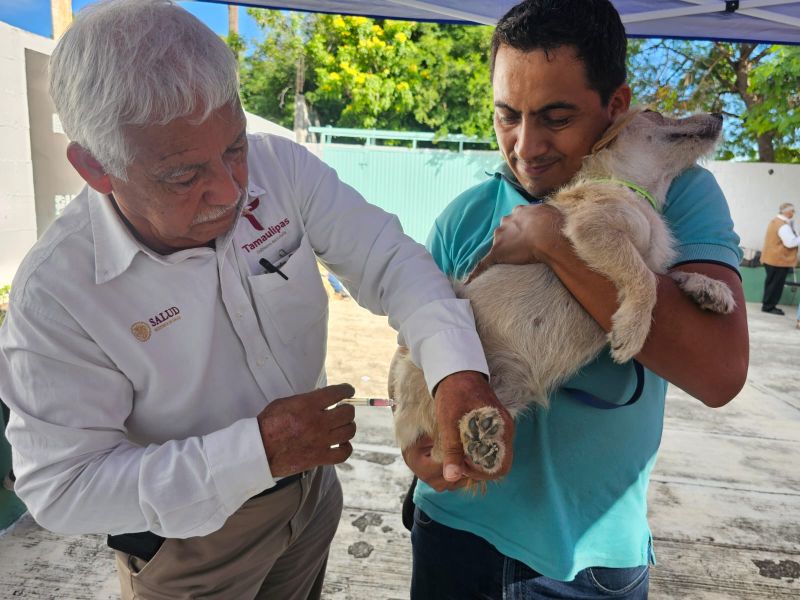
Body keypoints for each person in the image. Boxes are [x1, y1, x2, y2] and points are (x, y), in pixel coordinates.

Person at [0, 1, 513, 598]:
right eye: (183, 176)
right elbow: (62, 488)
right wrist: (252, 455)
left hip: (313, 492)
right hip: (192, 545)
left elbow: (389, 258)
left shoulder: (281, 169)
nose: (230, 189)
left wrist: (457, 374)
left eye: (235, 145)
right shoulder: (56, 294)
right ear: (95, 168)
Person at [401, 1, 749, 598]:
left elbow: (719, 373)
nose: (526, 146)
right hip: (454, 532)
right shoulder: (466, 217)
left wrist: (550, 239)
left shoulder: (672, 191)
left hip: (589, 560)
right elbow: (414, 370)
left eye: (555, 118)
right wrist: (427, 460)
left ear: (617, 106)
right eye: (507, 116)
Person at [760, 202, 799, 315]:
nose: (793, 213)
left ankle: (767, 305)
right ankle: (769, 306)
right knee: (776, 285)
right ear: (786, 211)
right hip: (778, 260)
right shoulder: (783, 225)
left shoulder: (774, 222)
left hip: (771, 259)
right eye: (792, 211)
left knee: (771, 283)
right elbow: (790, 243)